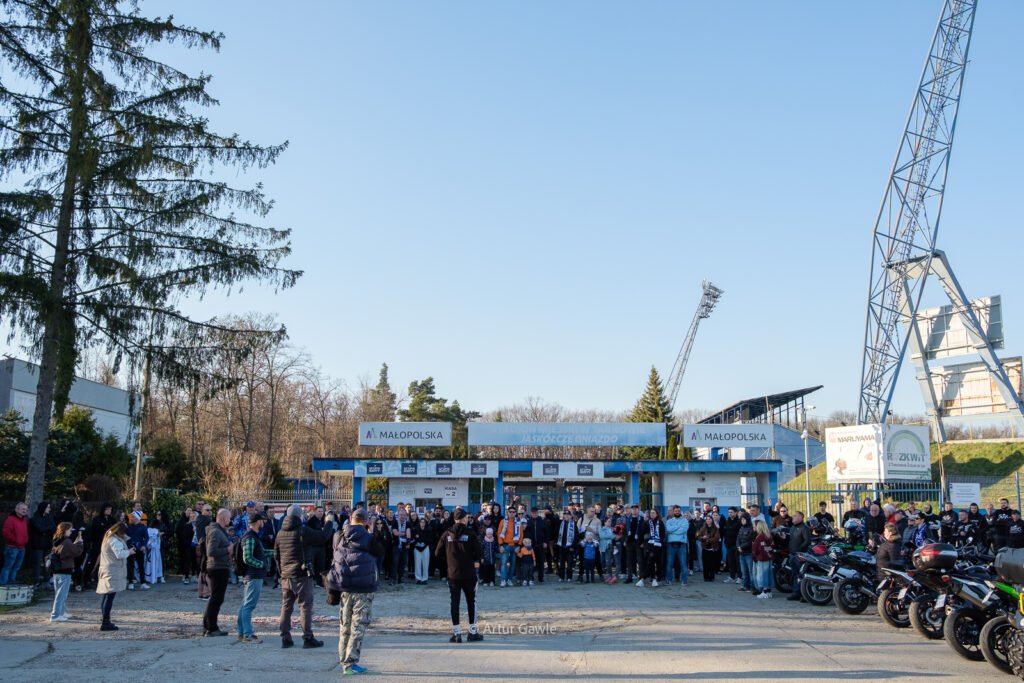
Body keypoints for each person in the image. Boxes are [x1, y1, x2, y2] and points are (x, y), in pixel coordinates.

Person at [327, 509, 383, 676]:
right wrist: (372, 531)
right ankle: (350, 662)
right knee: (358, 625)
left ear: (351, 518)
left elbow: (335, 553)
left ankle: (344, 660)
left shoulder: (339, 536)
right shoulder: (368, 537)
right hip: (363, 588)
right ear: (366, 521)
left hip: (344, 586)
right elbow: (380, 552)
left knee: (345, 625)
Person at [274, 504, 324, 649]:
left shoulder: (280, 533)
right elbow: (323, 537)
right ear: (298, 516)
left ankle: (285, 637)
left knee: (286, 607)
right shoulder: (303, 531)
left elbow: (276, 555)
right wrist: (328, 522)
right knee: (305, 607)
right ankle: (308, 638)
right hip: (302, 575)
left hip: (286, 576)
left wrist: (281, 572)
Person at [436, 508, 482, 644]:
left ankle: (456, 634)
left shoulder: (446, 534)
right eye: (467, 517)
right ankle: (472, 632)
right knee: (471, 602)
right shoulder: (470, 533)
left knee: (454, 603)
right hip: (469, 574)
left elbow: (437, 553)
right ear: (464, 519)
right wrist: (472, 560)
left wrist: (450, 560)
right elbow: (479, 553)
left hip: (453, 573)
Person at [235, 512, 269, 643]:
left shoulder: (253, 536)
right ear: (258, 522)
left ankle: (241, 632)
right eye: (262, 521)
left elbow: (260, 553)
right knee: (248, 606)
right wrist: (262, 564)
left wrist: (275, 552)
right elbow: (247, 558)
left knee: (245, 605)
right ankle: (247, 634)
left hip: (252, 576)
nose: (264, 523)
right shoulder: (250, 537)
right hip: (254, 576)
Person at [96, 521, 133, 631]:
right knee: (109, 597)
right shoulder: (113, 540)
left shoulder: (108, 537)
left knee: (106, 595)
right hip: (112, 571)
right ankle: (105, 622)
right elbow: (119, 554)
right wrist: (129, 552)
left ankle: (105, 619)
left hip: (108, 569)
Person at [202, 508, 232, 637]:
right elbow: (211, 551)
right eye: (229, 518)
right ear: (224, 518)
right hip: (217, 568)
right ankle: (211, 628)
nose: (230, 520)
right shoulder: (215, 531)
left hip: (219, 567)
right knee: (216, 598)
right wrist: (228, 549)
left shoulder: (218, 530)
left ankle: (208, 625)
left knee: (216, 598)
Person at [49, 521, 83, 622]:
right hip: (65, 570)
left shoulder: (57, 540)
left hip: (57, 570)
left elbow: (67, 550)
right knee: (62, 594)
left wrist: (74, 544)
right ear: (64, 530)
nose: (71, 532)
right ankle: (55, 615)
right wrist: (80, 543)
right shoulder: (67, 541)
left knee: (59, 593)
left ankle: (61, 612)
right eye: (69, 530)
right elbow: (76, 552)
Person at [1, 502, 29, 585]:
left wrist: (24, 541)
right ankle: (3, 584)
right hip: (12, 547)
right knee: (8, 566)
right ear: (17, 509)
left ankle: (12, 581)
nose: (25, 511)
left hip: (22, 547)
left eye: (26, 509)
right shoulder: (10, 519)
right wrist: (16, 541)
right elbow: (6, 533)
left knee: (16, 567)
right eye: (23, 509)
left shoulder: (24, 520)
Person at [785, 512, 812, 602]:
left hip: (800, 555)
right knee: (795, 574)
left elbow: (807, 541)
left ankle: (806, 595)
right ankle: (796, 593)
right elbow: (791, 539)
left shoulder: (804, 528)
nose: (793, 517)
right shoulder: (792, 528)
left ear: (800, 517)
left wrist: (799, 551)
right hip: (792, 555)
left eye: (795, 516)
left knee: (802, 575)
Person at [29, 502, 56, 588]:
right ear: (43, 508)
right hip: (37, 545)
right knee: (37, 563)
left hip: (47, 544)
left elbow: (54, 528)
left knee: (47, 563)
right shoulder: (34, 518)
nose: (49, 509)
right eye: (48, 507)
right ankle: (36, 581)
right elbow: (40, 529)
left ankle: (46, 580)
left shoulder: (49, 518)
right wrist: (46, 530)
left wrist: (45, 531)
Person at [638, 508, 666, 587]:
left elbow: (663, 534)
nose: (652, 514)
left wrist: (659, 543)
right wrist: (641, 542)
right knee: (650, 562)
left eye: (653, 513)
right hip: (649, 545)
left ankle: (650, 578)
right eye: (651, 513)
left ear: (657, 514)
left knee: (657, 563)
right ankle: (650, 579)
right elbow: (642, 532)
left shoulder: (660, 523)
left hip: (658, 546)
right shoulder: (647, 522)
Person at [497, 508, 522, 587]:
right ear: (507, 513)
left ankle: (509, 579)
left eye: (513, 512)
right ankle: (503, 580)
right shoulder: (503, 521)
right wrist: (501, 545)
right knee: (504, 563)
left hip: (515, 546)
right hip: (505, 545)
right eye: (510, 512)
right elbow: (499, 533)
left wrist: (519, 546)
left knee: (513, 564)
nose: (511, 513)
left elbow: (521, 535)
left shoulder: (518, 522)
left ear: (515, 513)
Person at [125, 511, 150, 591]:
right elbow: (126, 536)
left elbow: (147, 538)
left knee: (141, 566)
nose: (131, 518)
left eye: (133, 517)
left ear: (137, 518)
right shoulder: (129, 526)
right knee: (130, 565)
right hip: (131, 548)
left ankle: (143, 583)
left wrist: (144, 546)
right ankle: (131, 582)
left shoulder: (143, 527)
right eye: (131, 517)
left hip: (139, 549)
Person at [524, 508, 548, 584]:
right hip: (531, 545)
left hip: (540, 545)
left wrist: (545, 542)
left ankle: (541, 578)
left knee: (541, 562)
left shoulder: (542, 521)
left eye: (535, 513)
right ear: (531, 513)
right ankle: (531, 577)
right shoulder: (528, 522)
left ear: (537, 513)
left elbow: (546, 533)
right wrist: (527, 543)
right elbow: (526, 533)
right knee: (531, 562)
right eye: (533, 513)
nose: (534, 514)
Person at [751, 520, 773, 599]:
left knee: (762, 575)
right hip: (769, 557)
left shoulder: (760, 537)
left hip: (761, 558)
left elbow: (755, 548)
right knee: (768, 575)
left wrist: (754, 555)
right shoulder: (768, 536)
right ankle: (769, 592)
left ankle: (764, 592)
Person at [554, 509, 577, 582]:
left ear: (570, 516)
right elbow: (556, 533)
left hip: (569, 546)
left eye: (568, 515)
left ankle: (569, 577)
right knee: (561, 563)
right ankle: (561, 576)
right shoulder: (560, 523)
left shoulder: (574, 524)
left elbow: (576, 536)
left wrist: (573, 546)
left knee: (570, 563)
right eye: (565, 514)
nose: (566, 516)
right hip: (561, 546)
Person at [697, 516, 721, 583]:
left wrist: (708, 540)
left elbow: (717, 538)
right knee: (705, 564)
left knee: (712, 564)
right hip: (705, 548)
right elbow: (698, 536)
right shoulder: (703, 528)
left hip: (712, 548)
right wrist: (702, 538)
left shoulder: (715, 528)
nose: (708, 520)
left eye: (709, 519)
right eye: (707, 519)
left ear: (712, 520)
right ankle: (706, 577)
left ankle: (711, 577)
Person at [176, 508, 196, 584]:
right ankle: (186, 576)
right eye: (191, 516)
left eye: (194, 516)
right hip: (187, 545)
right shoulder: (185, 524)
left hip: (196, 545)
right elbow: (183, 535)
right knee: (187, 560)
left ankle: (194, 575)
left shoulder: (197, 525)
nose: (192, 517)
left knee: (194, 560)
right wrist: (191, 530)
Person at [735, 513, 754, 593]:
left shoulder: (751, 528)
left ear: (747, 519)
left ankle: (752, 587)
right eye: (741, 519)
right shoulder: (741, 528)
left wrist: (741, 547)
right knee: (744, 572)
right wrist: (738, 547)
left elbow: (750, 541)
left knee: (751, 571)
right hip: (741, 553)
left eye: (744, 519)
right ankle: (745, 586)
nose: (742, 521)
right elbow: (737, 539)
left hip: (749, 553)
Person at [412, 518, 432, 585]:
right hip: (417, 548)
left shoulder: (428, 530)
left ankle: (425, 579)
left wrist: (422, 541)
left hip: (425, 548)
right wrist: (419, 541)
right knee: (417, 564)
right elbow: (414, 538)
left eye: (424, 522)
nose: (422, 523)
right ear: (419, 523)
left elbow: (429, 539)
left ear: (425, 523)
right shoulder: (415, 530)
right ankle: (418, 579)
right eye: (421, 522)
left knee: (425, 564)